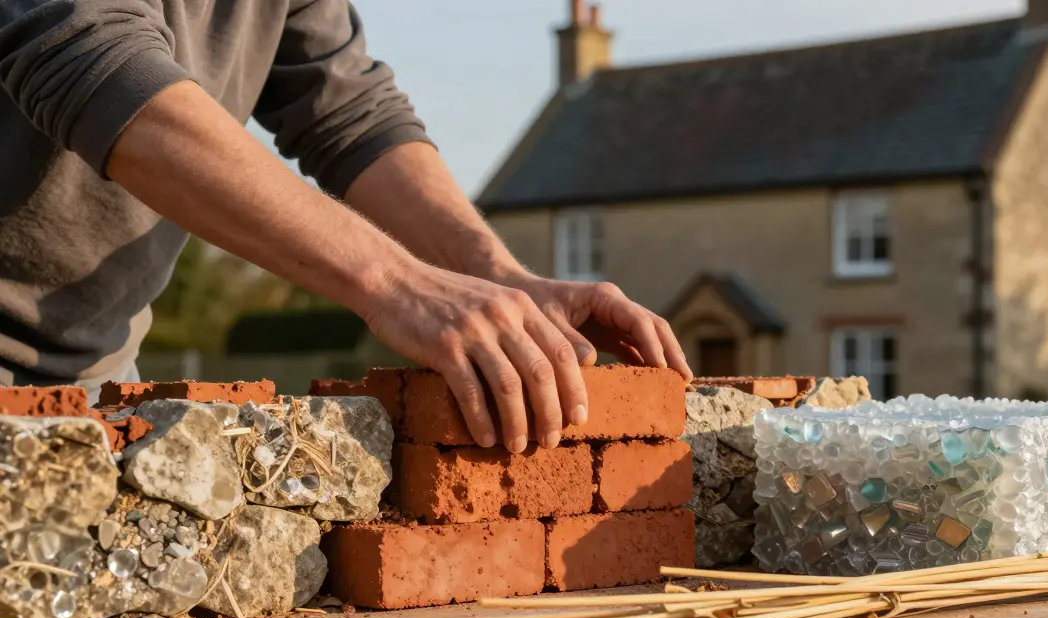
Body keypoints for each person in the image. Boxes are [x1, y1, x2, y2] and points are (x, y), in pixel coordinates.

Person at [0, 0, 691, 453]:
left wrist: (498, 277)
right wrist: (401, 285)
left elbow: (347, 110)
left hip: (94, 374)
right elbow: (90, 60)